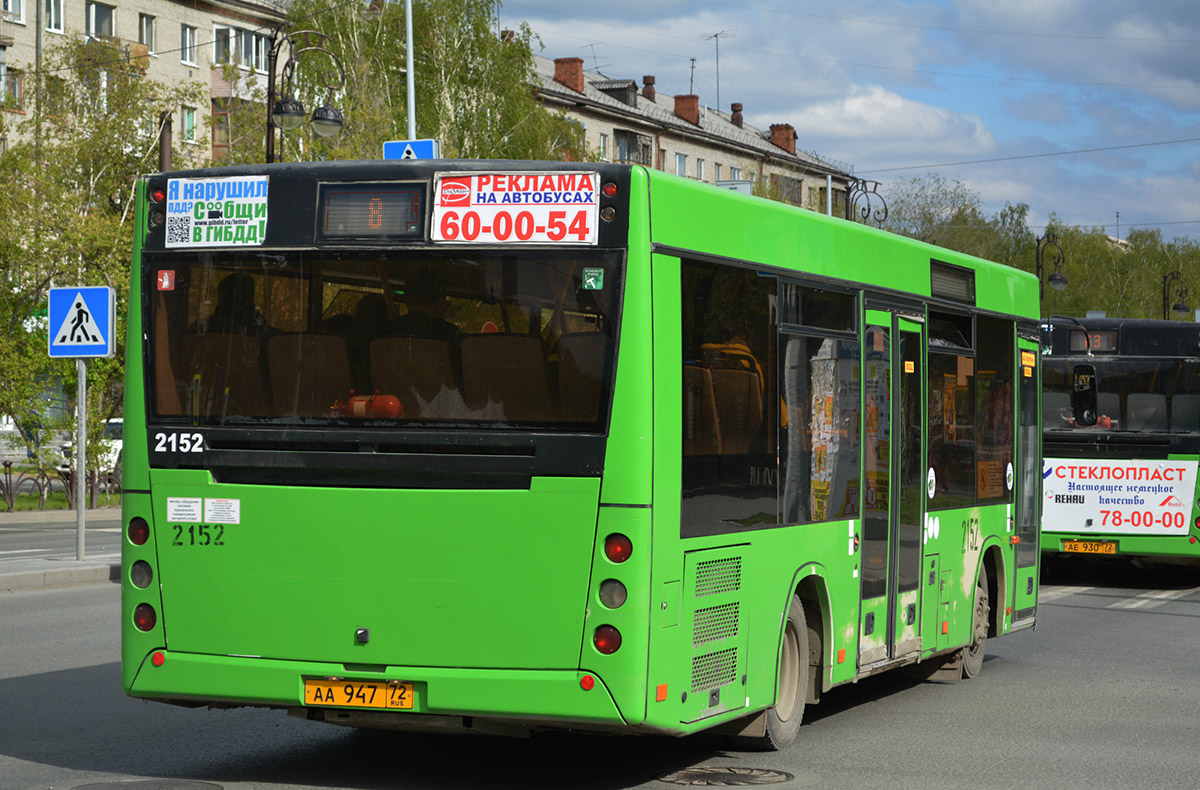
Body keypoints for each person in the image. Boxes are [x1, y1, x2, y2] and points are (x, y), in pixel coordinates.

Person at [392, 267, 459, 343]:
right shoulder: (450, 334)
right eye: (444, 303)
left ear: (406, 300)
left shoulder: (387, 331)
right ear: (438, 302)